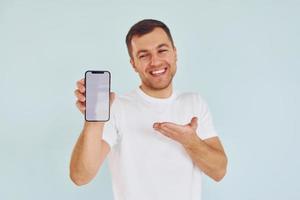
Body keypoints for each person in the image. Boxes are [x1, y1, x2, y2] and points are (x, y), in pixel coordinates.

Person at [70, 19, 228, 200]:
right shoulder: (117, 108)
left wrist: (190, 141)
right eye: (144, 55)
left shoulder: (194, 103)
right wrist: (93, 122)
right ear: (133, 63)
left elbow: (219, 171)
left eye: (162, 51)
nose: (155, 61)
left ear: (175, 53)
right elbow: (81, 177)